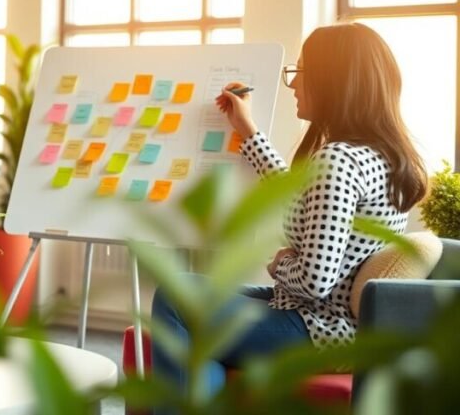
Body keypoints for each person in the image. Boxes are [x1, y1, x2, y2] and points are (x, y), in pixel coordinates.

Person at [149, 23, 428, 405]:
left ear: (334, 81)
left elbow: (315, 281)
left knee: (176, 297)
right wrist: (248, 131)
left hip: (319, 327)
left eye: (301, 73)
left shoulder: (339, 159)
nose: (293, 85)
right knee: (190, 295)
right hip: (328, 320)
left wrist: (279, 264)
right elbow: (305, 200)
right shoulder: (382, 157)